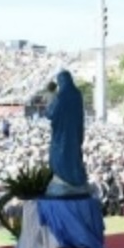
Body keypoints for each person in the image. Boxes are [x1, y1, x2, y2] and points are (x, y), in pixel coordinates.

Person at [45, 70, 91, 198]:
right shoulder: (77, 94)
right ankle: (76, 181)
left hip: (61, 137)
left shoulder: (61, 96)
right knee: (74, 157)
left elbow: (50, 113)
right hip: (74, 134)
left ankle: (64, 180)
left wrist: (50, 95)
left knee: (59, 157)